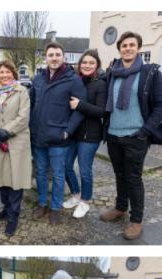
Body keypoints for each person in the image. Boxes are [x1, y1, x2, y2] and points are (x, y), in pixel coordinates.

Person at [101, 31, 162, 240]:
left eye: (132, 45)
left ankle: (136, 220)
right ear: (119, 49)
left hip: (136, 136)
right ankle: (120, 207)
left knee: (133, 178)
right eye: (124, 45)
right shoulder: (112, 72)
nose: (128, 48)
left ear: (138, 48)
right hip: (114, 134)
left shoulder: (150, 72)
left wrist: (145, 131)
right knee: (120, 175)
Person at [29, 42, 87, 225]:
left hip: (59, 137)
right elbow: (31, 104)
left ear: (63, 57)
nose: (54, 58)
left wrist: (67, 132)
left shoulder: (73, 80)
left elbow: (79, 109)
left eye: (57, 55)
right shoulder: (38, 79)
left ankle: (55, 208)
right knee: (40, 174)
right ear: (45, 57)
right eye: (51, 55)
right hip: (38, 135)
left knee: (58, 174)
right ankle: (42, 204)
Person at [0, 61, 32, 236]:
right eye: (1, 72)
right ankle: (6, 208)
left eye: (8, 72)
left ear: (13, 74)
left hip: (16, 142)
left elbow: (23, 116)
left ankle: (13, 216)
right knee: (1, 178)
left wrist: (7, 131)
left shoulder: (22, 92)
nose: (5, 75)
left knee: (15, 181)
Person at [63, 50, 107, 219]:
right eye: (84, 62)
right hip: (74, 132)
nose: (87, 65)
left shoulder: (100, 84)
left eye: (91, 63)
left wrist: (80, 104)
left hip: (90, 135)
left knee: (85, 170)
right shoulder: (75, 81)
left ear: (96, 65)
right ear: (79, 64)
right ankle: (76, 195)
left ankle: (85, 201)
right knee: (66, 166)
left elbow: (102, 111)